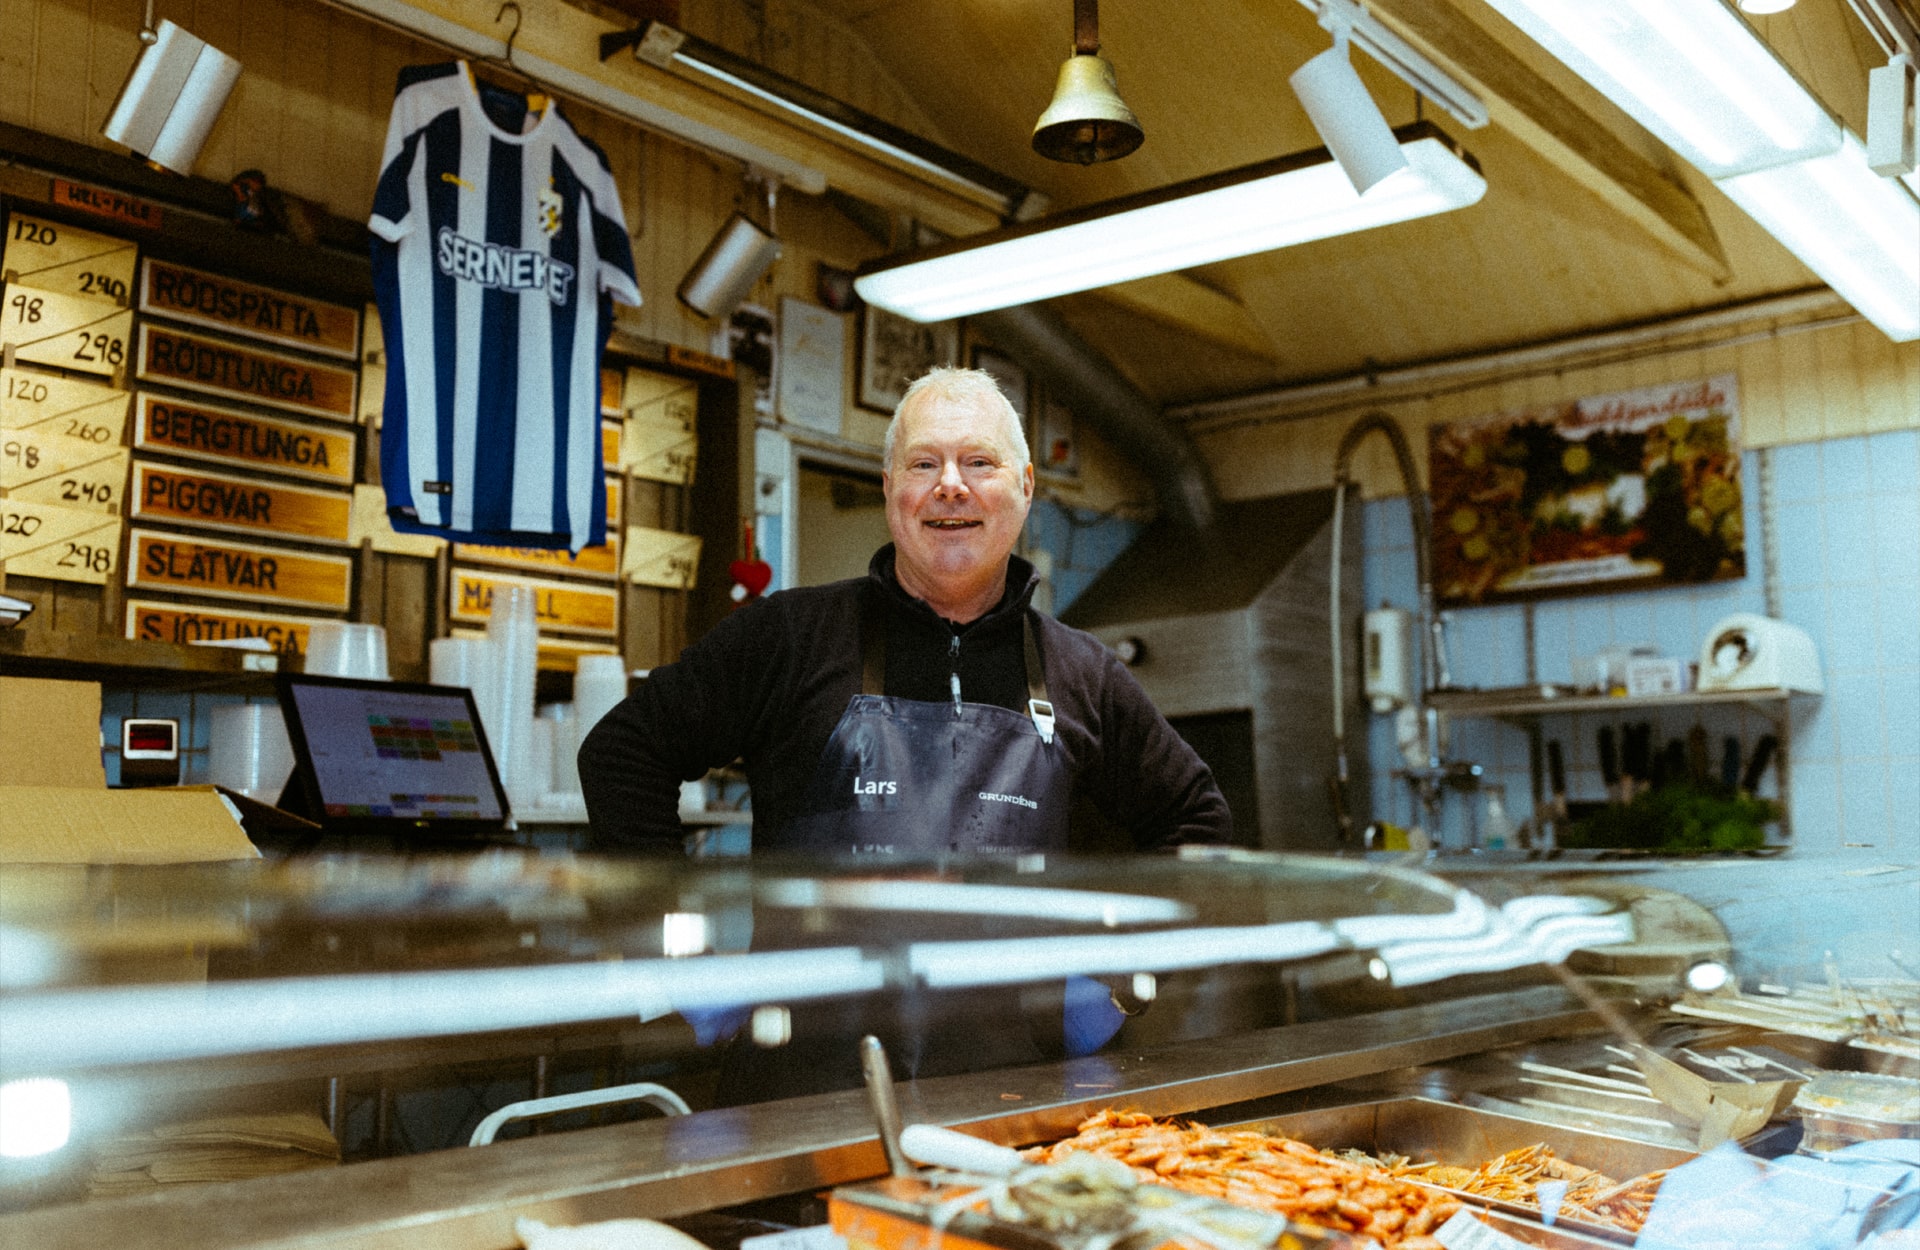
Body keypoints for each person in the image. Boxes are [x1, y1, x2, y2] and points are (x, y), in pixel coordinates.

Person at [579, 365, 1231, 855]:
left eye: (979, 461)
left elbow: (1196, 820)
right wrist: (671, 960)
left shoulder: (1084, 675)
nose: (951, 484)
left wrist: (1123, 974)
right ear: (892, 491)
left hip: (1021, 1038)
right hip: (814, 1032)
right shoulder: (790, 637)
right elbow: (623, 753)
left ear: (1024, 488)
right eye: (925, 464)